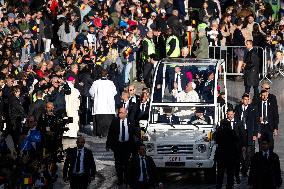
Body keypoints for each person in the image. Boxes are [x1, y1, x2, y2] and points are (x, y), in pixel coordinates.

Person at [106, 107, 139, 186]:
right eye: (119, 112)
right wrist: (108, 144)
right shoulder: (115, 121)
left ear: (126, 113)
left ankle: (127, 179)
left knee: (127, 164)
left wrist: (137, 144)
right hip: (118, 146)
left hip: (127, 146)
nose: (120, 114)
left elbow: (135, 133)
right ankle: (120, 179)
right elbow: (110, 134)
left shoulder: (131, 122)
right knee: (118, 164)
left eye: (121, 113)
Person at [234, 93, 259, 177]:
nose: (247, 101)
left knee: (249, 152)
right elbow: (236, 120)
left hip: (249, 132)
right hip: (240, 132)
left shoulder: (253, 108)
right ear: (242, 100)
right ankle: (243, 166)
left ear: (250, 100)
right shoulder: (237, 108)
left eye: (248, 99)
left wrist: (255, 133)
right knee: (240, 151)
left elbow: (256, 122)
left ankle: (245, 169)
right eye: (245, 99)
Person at [89, 69, 117, 137]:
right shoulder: (111, 83)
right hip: (108, 107)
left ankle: (99, 133)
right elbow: (115, 92)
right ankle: (107, 133)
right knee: (108, 122)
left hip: (99, 106)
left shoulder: (96, 83)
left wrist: (94, 97)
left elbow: (91, 92)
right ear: (107, 75)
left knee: (99, 121)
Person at [215, 119, 240, 189]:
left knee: (220, 173)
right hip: (231, 155)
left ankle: (219, 185)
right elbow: (237, 140)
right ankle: (229, 185)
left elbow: (216, 139)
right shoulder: (232, 132)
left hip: (221, 155)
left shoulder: (219, 132)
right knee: (230, 173)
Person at [223, 108, 245, 184]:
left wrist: (243, 145)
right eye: (228, 114)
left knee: (237, 162)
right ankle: (230, 177)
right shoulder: (224, 122)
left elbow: (242, 134)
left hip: (237, 146)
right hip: (227, 147)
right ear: (226, 114)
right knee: (228, 162)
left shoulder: (238, 122)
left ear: (234, 114)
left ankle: (237, 175)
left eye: (231, 114)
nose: (230, 116)